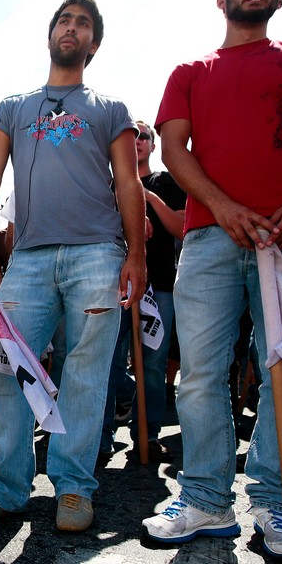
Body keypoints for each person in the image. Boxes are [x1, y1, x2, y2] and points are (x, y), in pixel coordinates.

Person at [141, 0, 282, 559]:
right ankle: (206, 498)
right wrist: (223, 207)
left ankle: (275, 499)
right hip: (208, 239)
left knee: (281, 369)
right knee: (202, 373)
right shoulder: (189, 71)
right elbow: (176, 152)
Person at [0, 0, 146, 533]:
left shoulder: (111, 109)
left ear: (95, 44)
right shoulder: (13, 107)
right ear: (50, 36)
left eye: (84, 24)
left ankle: (72, 489)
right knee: (2, 369)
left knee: (85, 374)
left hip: (98, 253)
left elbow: (128, 182)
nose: (72, 28)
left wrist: (136, 253)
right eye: (65, 20)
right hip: (30, 258)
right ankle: (6, 490)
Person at [101, 121, 186, 461]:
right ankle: (101, 436)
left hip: (160, 285)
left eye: (143, 136)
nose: (136, 141)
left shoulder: (166, 182)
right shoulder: (106, 186)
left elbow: (181, 226)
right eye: (129, 136)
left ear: (152, 145)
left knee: (152, 364)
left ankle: (146, 435)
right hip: (114, 286)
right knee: (107, 362)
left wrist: (144, 195)